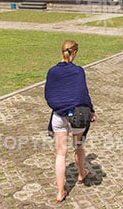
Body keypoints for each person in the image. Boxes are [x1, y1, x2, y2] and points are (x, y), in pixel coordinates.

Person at [45, 40, 97, 202]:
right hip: (78, 116)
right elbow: (83, 94)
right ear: (74, 52)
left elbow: (48, 94)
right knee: (79, 146)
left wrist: (60, 107)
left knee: (61, 154)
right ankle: (81, 174)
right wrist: (92, 111)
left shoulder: (52, 71)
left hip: (59, 116)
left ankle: (60, 192)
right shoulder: (78, 71)